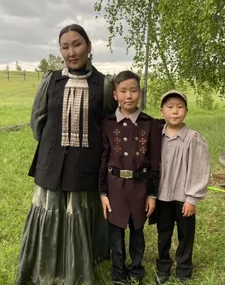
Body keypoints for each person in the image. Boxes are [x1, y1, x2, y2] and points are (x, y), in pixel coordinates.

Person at [17, 24, 117, 285]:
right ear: (60, 50)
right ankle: (45, 266)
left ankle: (77, 268)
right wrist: (54, 145)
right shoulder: (50, 80)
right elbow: (37, 120)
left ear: (89, 46)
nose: (71, 52)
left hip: (86, 164)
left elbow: (107, 124)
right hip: (51, 161)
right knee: (50, 209)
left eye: (77, 44)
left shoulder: (104, 84)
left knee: (77, 211)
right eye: (65, 46)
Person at [99, 70, 161, 285]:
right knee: (115, 233)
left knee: (137, 232)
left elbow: (154, 163)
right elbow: (103, 159)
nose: (128, 96)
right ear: (115, 95)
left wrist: (152, 193)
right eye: (123, 91)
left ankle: (136, 269)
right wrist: (102, 192)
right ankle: (118, 273)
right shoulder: (107, 123)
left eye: (133, 91)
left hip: (140, 188)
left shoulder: (149, 124)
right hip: (114, 187)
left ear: (140, 93)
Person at [154, 90, 211, 284]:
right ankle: (162, 266)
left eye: (179, 107)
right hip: (162, 196)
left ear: (186, 111)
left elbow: (199, 168)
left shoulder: (193, 138)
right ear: (162, 111)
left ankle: (184, 269)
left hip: (183, 198)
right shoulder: (157, 137)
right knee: (164, 233)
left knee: (185, 235)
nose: (175, 112)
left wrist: (192, 198)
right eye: (170, 107)